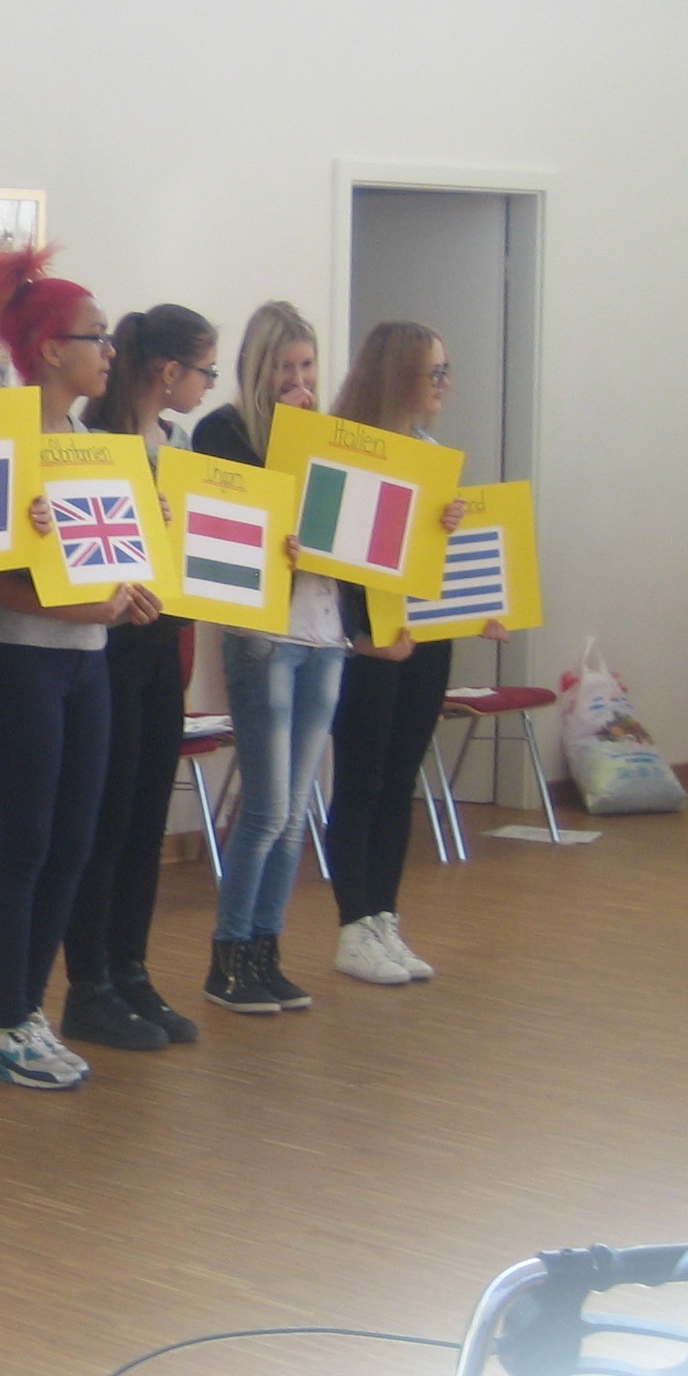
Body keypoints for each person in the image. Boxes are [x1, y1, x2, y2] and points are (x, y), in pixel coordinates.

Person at [0, 250, 161, 1091]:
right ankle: (7, 1021)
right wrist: (70, 601)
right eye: (95, 337)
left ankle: (30, 1012)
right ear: (48, 350)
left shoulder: (93, 446)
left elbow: (108, 571)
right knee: (29, 837)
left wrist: (138, 579)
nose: (109, 352)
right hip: (17, 664)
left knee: (74, 839)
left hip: (87, 665)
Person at [61, 305, 220, 1050]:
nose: (208, 385)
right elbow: (80, 547)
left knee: (149, 817)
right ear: (168, 370)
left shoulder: (181, 446)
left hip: (165, 646)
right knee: (109, 819)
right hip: (112, 643)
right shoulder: (97, 444)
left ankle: (132, 970)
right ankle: (88, 983)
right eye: (205, 371)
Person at [324, 320, 488, 985]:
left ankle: (383, 917)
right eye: (434, 372)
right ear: (398, 376)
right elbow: (335, 555)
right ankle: (352, 925)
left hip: (425, 631)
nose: (445, 384)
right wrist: (362, 638)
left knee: (399, 781)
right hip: (369, 639)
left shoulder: (430, 451)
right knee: (361, 780)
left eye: (447, 370)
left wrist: (451, 525)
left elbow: (432, 553)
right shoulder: (346, 448)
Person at [190, 302, 341, 1012]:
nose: (298, 379)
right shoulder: (223, 432)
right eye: (285, 367)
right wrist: (292, 442)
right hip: (263, 634)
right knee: (267, 805)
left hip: (324, 631)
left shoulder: (325, 436)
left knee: (297, 806)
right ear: (257, 367)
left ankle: (265, 950)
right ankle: (228, 958)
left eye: (307, 365)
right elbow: (236, 524)